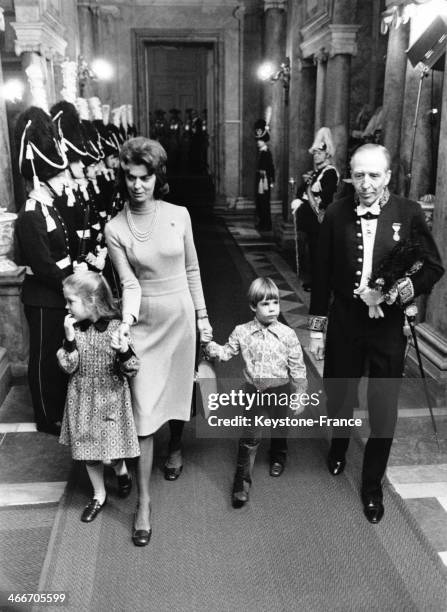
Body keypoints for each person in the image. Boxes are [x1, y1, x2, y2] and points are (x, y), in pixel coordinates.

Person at [309, 144, 444, 524]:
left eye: (373, 175)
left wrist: (396, 292)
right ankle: (338, 445)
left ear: (387, 177)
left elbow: (433, 267)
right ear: (349, 174)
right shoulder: (335, 213)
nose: (365, 184)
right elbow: (320, 276)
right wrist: (317, 331)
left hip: (387, 327)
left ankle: (372, 485)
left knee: (383, 406)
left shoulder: (409, 212)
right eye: (358, 175)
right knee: (340, 393)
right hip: (346, 321)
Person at [104, 137, 212, 546]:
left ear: (156, 178)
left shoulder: (179, 215)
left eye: (144, 177)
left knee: (179, 391)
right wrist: (127, 321)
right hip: (145, 323)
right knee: (144, 411)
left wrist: (203, 318)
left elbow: (193, 269)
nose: (137, 185)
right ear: (123, 179)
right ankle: (144, 503)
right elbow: (128, 283)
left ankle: (177, 445)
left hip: (181, 317)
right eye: (130, 178)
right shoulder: (115, 228)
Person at [206, 277, 307, 508]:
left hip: (281, 390)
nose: (272, 308)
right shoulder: (241, 332)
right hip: (254, 391)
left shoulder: (288, 335)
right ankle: (241, 486)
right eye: (265, 304)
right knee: (249, 438)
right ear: (253, 306)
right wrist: (212, 348)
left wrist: (300, 393)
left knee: (280, 427)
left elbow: (298, 368)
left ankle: (278, 456)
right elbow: (226, 352)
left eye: (275, 303)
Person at [57, 272, 140, 523]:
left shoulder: (116, 328)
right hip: (82, 397)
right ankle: (98, 494)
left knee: (111, 454)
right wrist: (70, 341)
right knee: (89, 452)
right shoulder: (73, 328)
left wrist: (123, 351)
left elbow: (133, 368)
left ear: (92, 300)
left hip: (111, 398)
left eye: (71, 301)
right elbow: (68, 367)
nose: (67, 306)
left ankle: (121, 470)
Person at [14, 106, 75, 435]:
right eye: (57, 175)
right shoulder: (30, 213)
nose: (63, 178)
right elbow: (43, 264)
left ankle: (57, 407)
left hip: (57, 292)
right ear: (42, 177)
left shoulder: (49, 207)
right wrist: (71, 285)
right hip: (42, 295)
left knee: (57, 356)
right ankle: (45, 415)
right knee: (42, 360)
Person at [291, 127, 339, 291]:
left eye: (319, 152)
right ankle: (314, 280)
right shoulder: (316, 173)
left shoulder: (330, 173)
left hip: (319, 219)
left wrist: (311, 195)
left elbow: (327, 197)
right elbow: (302, 189)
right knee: (312, 251)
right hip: (310, 220)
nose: (316, 155)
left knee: (319, 254)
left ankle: (320, 283)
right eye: (315, 152)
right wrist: (298, 199)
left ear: (327, 154)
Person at [254, 119, 275, 231]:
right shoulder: (262, 152)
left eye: (260, 140)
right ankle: (262, 222)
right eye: (258, 140)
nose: (258, 142)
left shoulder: (266, 153)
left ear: (264, 141)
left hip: (265, 181)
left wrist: (271, 180)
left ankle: (266, 224)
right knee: (260, 202)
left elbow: (271, 168)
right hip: (260, 180)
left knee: (264, 202)